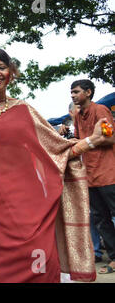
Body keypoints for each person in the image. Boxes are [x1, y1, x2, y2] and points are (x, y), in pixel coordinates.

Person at [0, 47, 114, 283]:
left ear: (11, 73)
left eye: (2, 67)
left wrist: (92, 141)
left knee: (42, 266)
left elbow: (58, 150)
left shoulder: (25, 110)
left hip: (32, 205)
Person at [71, 79, 115, 274]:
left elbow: (110, 138)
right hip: (89, 175)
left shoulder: (101, 111)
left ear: (88, 92)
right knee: (99, 219)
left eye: (76, 92)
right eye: (71, 92)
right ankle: (114, 258)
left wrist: (88, 141)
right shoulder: (77, 116)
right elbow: (80, 142)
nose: (72, 95)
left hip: (108, 173)